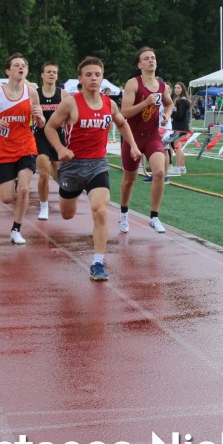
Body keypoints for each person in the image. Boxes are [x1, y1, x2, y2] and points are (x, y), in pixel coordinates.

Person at [44, 56, 140, 281]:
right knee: (67, 214)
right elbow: (50, 127)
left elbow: (122, 123)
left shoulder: (109, 104)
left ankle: (97, 262)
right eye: (88, 75)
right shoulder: (70, 103)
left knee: (100, 209)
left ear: (102, 77)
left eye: (97, 74)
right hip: (72, 166)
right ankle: (68, 193)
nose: (94, 78)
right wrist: (60, 149)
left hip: (98, 165)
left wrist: (134, 146)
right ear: (80, 78)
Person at [0, 53, 44, 244]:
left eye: (23, 65)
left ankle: (16, 229)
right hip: (4, 148)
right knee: (7, 198)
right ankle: (2, 176)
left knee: (24, 190)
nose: (21, 67)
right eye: (16, 65)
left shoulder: (31, 93)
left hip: (26, 145)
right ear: (8, 71)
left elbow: (41, 123)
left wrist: (39, 116)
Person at [118, 47, 173, 234]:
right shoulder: (133, 83)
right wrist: (145, 103)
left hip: (152, 136)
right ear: (139, 64)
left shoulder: (162, 86)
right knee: (129, 179)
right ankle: (124, 213)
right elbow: (124, 113)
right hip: (132, 136)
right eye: (147, 58)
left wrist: (166, 115)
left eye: (153, 58)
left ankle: (154, 217)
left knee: (159, 172)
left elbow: (169, 104)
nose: (151, 61)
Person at [34, 61, 69, 221]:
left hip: (58, 138)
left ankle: (66, 197)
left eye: (54, 72)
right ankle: (44, 207)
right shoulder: (35, 94)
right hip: (40, 137)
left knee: (58, 175)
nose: (52, 74)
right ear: (42, 75)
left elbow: (71, 114)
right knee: (43, 173)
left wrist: (67, 122)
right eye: (48, 72)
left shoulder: (63, 95)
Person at [169, 81, 191, 175]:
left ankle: (177, 167)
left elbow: (180, 115)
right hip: (180, 126)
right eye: (175, 88)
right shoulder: (179, 100)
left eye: (178, 88)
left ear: (183, 89)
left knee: (177, 146)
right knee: (178, 146)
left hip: (180, 127)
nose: (176, 89)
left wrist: (170, 112)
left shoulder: (182, 101)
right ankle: (182, 167)